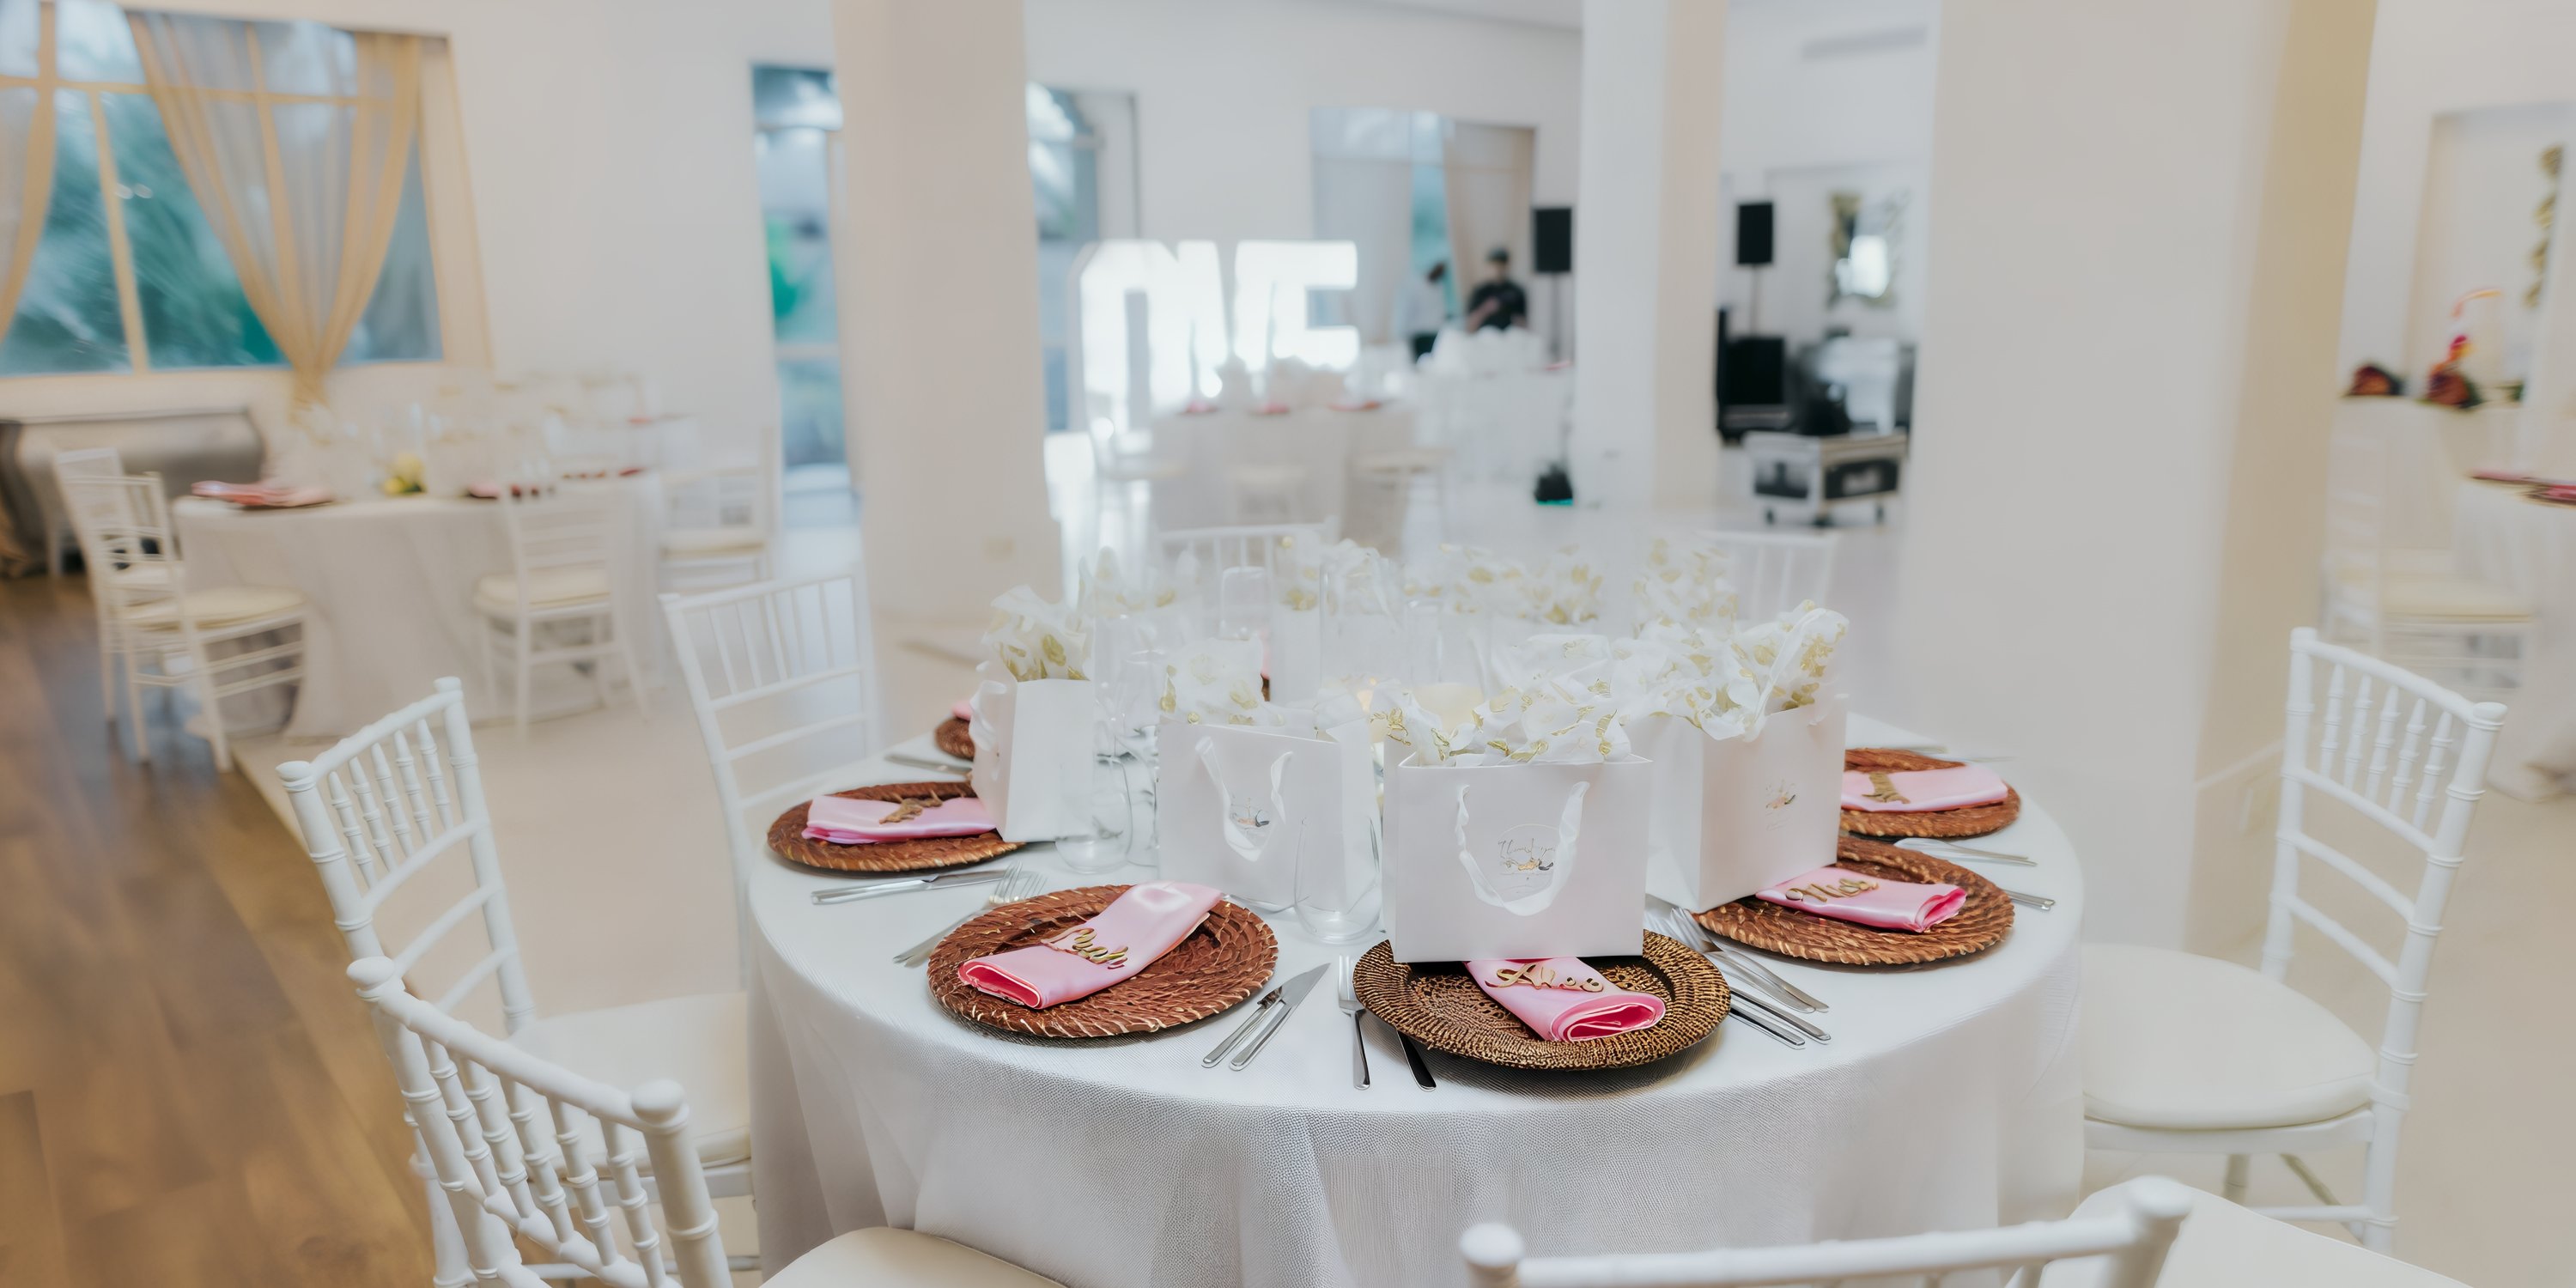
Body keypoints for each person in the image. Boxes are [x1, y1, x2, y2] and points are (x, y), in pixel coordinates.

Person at [1463, 246, 1528, 332]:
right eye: (1495, 265)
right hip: (1485, 337)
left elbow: (1524, 324)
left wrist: (1516, 320)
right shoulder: (1480, 291)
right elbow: (1469, 326)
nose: (1498, 269)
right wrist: (1485, 309)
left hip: (1510, 337)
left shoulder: (1516, 291)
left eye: (1501, 265)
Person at [1396, 262, 1450, 361]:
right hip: (1420, 337)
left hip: (1436, 335)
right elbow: (1405, 314)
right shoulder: (1415, 286)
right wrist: (1401, 336)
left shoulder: (1439, 288)